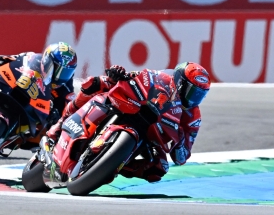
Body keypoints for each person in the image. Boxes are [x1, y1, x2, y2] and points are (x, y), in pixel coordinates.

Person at [46, 62, 210, 183]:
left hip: (152, 135)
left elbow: (182, 157)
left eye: (199, 95)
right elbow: (137, 77)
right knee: (97, 83)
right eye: (192, 92)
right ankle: (60, 124)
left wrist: (179, 143)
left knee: (158, 169)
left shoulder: (193, 117)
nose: (194, 99)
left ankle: (110, 166)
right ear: (179, 82)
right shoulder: (163, 79)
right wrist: (119, 74)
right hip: (134, 107)